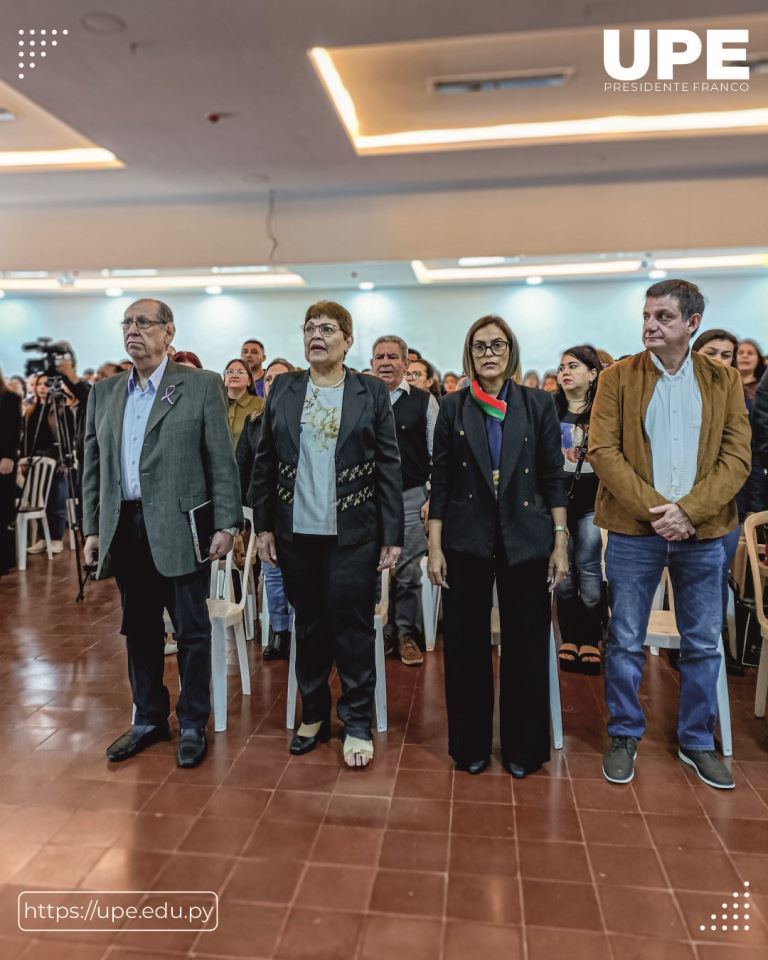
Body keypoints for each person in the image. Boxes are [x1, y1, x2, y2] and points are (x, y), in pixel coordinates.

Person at [589, 279, 751, 791]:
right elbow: (602, 451)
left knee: (703, 642)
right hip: (636, 531)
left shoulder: (722, 380)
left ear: (692, 323)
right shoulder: (617, 377)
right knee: (625, 639)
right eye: (646, 316)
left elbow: (737, 458)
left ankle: (697, 740)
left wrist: (689, 513)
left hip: (704, 533)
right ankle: (623, 733)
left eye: (663, 316)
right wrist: (659, 512)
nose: (650, 326)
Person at [82, 298, 242, 769]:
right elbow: (94, 466)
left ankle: (192, 721)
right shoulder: (106, 392)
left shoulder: (199, 386)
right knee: (139, 630)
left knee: (192, 631)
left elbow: (221, 462)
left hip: (181, 526)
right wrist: (93, 529)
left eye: (144, 323)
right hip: (126, 525)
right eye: (127, 323)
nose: (134, 331)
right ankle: (148, 718)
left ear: (168, 332)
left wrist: (226, 523)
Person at [250, 301, 403, 768]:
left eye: (329, 329)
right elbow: (265, 460)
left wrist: (391, 533)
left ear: (348, 340)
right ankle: (313, 713)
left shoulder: (369, 392)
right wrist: (263, 527)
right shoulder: (285, 390)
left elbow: (389, 465)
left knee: (353, 630)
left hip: (353, 533)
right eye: (310, 328)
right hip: (296, 532)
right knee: (309, 626)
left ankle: (356, 720)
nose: (317, 336)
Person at [428, 315, 568, 777]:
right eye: (480, 346)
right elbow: (442, 479)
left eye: (497, 345)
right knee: (465, 646)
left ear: (511, 351)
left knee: (526, 645)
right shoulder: (453, 406)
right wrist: (434, 545)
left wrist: (560, 540)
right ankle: (469, 746)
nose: (489, 353)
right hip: (465, 538)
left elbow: (552, 476)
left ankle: (524, 749)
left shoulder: (537, 404)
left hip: (526, 537)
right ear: (469, 354)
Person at [691, 328, 760, 675]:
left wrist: (750, 507)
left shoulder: (740, 399)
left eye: (727, 354)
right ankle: (691, 644)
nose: (721, 360)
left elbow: (747, 458)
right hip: (687, 503)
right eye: (712, 352)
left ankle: (719, 645)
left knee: (718, 576)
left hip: (729, 504)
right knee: (692, 579)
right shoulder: (682, 394)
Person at [371, 335, 438, 666]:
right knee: (370, 569)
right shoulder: (359, 400)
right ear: (371, 362)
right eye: (379, 356)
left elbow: (437, 454)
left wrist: (432, 495)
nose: (386, 362)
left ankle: (405, 634)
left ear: (405, 362)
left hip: (410, 496)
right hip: (366, 499)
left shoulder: (424, 402)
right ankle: (378, 634)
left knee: (408, 569)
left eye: (393, 357)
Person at [236, 357, 296, 661]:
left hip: (298, 509)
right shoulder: (254, 421)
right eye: (269, 379)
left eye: (280, 378)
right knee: (272, 573)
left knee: (299, 572)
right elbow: (243, 467)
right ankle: (280, 631)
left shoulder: (304, 418)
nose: (273, 383)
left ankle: (302, 630)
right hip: (266, 509)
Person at [554, 345, 603, 674]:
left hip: (592, 501)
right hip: (557, 501)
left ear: (593, 373)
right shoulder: (549, 408)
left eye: (573, 366)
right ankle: (569, 638)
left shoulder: (603, 411)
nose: (565, 372)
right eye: (561, 367)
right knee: (563, 572)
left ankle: (591, 638)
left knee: (588, 568)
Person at [22, 375, 75, 555]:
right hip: (35, 461)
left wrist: (65, 459)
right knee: (38, 501)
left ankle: (56, 538)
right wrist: (25, 458)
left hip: (56, 461)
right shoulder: (31, 410)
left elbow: (69, 437)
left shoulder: (62, 410)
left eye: (46, 384)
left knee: (56, 501)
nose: (43, 388)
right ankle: (43, 538)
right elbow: (27, 439)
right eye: (39, 384)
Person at [0, 369, 22, 577]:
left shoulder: (10, 398)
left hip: (3, 460)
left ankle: (3, 561)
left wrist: (8, 456)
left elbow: (14, 430)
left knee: (2, 510)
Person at [223, 358, 263, 448]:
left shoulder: (260, 405)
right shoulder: (214, 404)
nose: (234, 375)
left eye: (240, 372)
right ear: (224, 379)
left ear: (249, 381)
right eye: (229, 372)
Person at [736, 338, 766, 403]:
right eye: (740, 353)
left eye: (750, 353)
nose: (745, 356)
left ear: (758, 359)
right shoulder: (722, 386)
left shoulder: (765, 389)